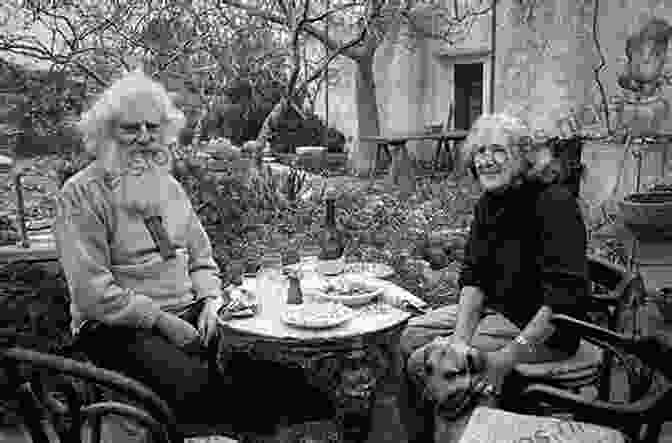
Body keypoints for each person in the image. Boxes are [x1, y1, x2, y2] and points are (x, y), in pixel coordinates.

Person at [54, 69, 331, 437]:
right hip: (117, 327)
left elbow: (201, 259)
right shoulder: (80, 196)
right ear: (105, 133)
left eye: (152, 127)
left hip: (192, 315)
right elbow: (91, 294)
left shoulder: (168, 187)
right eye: (130, 128)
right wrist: (163, 321)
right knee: (205, 396)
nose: (143, 137)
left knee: (282, 378)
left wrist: (211, 301)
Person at [398, 113, 589, 443]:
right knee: (409, 336)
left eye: (498, 150)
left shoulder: (554, 203)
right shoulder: (491, 202)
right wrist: (459, 338)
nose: (486, 160)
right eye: (480, 151)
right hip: (499, 312)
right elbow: (474, 277)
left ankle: (472, 429)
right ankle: (430, 433)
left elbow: (563, 300)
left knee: (425, 362)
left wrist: (507, 356)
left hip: (545, 329)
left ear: (521, 156)